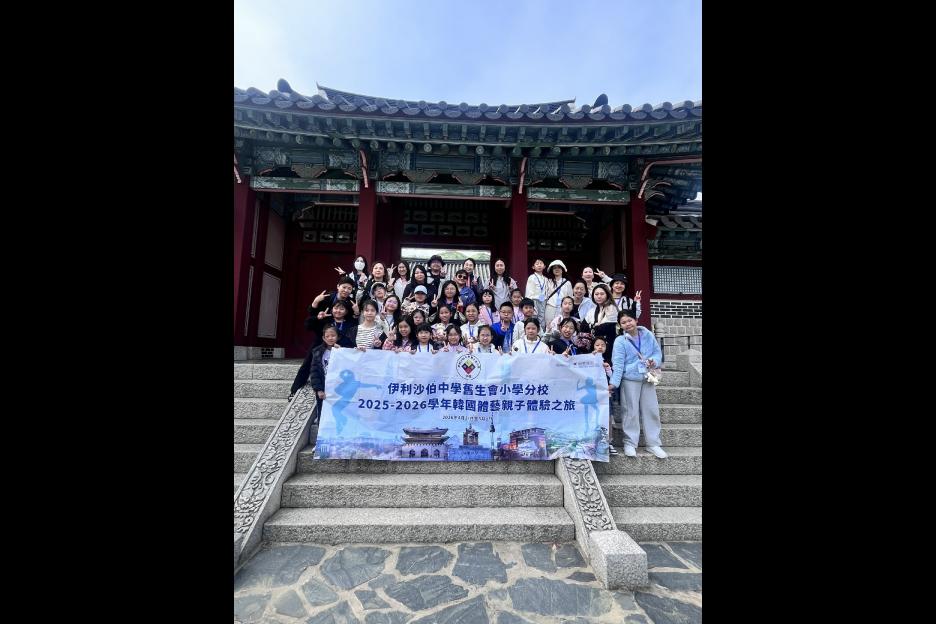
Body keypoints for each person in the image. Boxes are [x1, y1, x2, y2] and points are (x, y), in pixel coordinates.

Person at [609, 309, 666, 459]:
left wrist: (654, 361)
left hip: (647, 377)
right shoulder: (620, 341)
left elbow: (657, 353)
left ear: (636, 320)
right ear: (620, 325)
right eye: (623, 322)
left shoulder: (648, 335)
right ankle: (630, 443)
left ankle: (653, 443)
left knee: (651, 410)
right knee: (630, 411)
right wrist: (614, 383)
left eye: (629, 320)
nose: (627, 324)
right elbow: (618, 364)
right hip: (630, 379)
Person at [305, 324, 343, 424]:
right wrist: (318, 389)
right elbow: (314, 372)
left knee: (338, 412)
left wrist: (341, 351)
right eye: (327, 336)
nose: (330, 338)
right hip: (323, 386)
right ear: (323, 338)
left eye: (333, 335)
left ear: (338, 337)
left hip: (338, 387)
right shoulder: (317, 351)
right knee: (323, 411)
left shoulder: (342, 351)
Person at [591, 336, 618, 454]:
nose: (600, 347)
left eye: (602, 345)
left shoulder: (608, 361)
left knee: (607, 418)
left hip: (606, 395)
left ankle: (608, 442)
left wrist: (608, 369)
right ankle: (594, 441)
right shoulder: (588, 359)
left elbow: (612, 378)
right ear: (593, 347)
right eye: (597, 345)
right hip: (593, 394)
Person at [581, 283, 619, 351]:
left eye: (602, 294)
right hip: (594, 346)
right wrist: (594, 327)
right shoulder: (592, 310)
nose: (599, 296)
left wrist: (592, 327)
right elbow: (583, 327)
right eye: (596, 294)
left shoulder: (611, 308)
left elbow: (605, 328)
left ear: (607, 295)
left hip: (608, 346)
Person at [544, 260, 573, 329]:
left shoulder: (567, 283)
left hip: (562, 308)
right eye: (554, 268)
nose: (557, 269)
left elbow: (570, 297)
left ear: (562, 269)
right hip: (550, 307)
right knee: (549, 326)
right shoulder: (548, 281)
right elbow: (544, 295)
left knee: (562, 326)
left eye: (559, 267)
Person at [525, 258, 548, 326]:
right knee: (534, 316)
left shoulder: (546, 279)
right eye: (537, 264)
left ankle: (542, 331)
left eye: (541, 263)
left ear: (544, 266)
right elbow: (528, 291)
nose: (539, 265)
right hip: (534, 300)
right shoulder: (531, 277)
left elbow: (547, 291)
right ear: (533, 267)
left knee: (542, 318)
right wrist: (529, 303)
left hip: (543, 300)